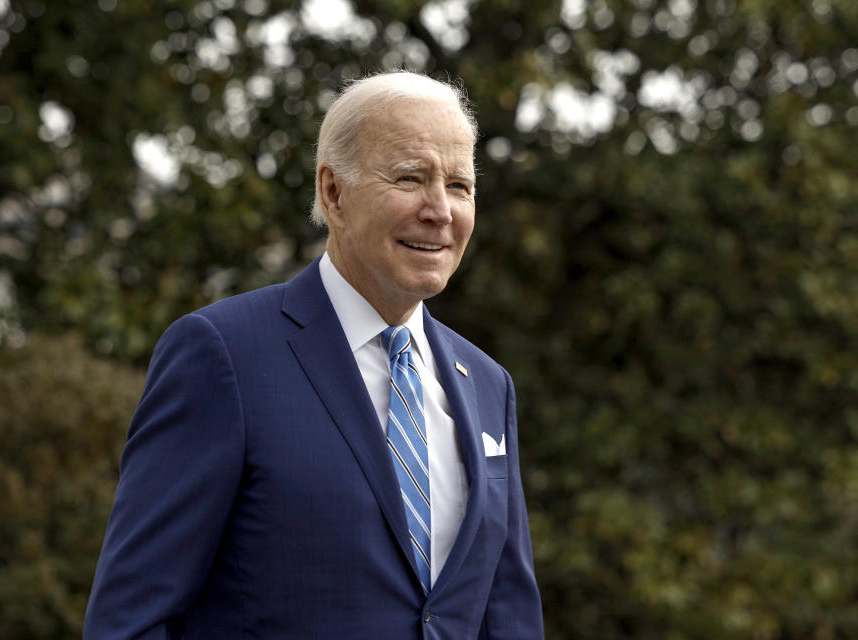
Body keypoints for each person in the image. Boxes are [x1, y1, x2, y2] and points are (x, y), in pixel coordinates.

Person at [84, 71, 544, 639]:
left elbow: (510, 619)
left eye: (459, 185)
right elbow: (131, 620)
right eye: (410, 178)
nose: (440, 211)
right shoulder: (223, 354)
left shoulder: (488, 385)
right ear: (333, 193)